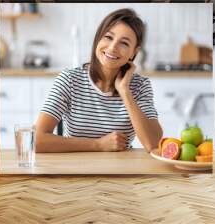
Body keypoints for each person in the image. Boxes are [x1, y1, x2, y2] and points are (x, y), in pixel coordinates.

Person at [35, 8, 163, 153]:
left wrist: (125, 92)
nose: (113, 47)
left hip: (120, 170)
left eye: (124, 43)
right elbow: (36, 140)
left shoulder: (140, 86)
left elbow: (154, 144)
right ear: (98, 38)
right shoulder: (69, 80)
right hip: (75, 170)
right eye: (108, 37)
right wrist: (98, 145)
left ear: (134, 52)